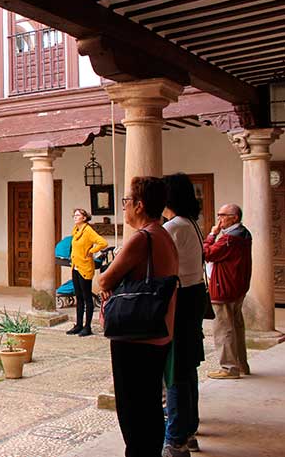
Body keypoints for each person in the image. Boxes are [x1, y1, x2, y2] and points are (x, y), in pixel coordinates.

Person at [99, 177, 179, 457]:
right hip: (158, 333)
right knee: (149, 406)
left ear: (140, 205)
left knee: (132, 409)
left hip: (136, 336)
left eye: (126, 202)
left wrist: (107, 280)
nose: (124, 208)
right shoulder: (164, 235)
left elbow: (105, 279)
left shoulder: (142, 238)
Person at [162, 174, 207, 456]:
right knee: (188, 366)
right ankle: (189, 428)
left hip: (179, 300)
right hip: (194, 296)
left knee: (176, 370)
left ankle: (176, 437)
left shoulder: (172, 228)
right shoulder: (193, 224)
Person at [204, 203, 252, 380]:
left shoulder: (229, 239)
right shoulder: (245, 233)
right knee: (237, 326)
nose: (219, 219)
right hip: (238, 287)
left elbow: (207, 253)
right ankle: (241, 364)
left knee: (224, 329)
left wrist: (212, 234)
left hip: (223, 288)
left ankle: (229, 368)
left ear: (235, 218)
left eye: (223, 215)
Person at [67, 208, 107, 337]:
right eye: (74, 215)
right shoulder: (76, 230)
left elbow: (103, 242)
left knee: (87, 297)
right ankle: (78, 324)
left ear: (84, 218)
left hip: (85, 267)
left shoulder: (88, 230)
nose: (75, 217)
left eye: (78, 215)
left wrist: (91, 251)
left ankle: (87, 326)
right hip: (76, 266)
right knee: (78, 297)